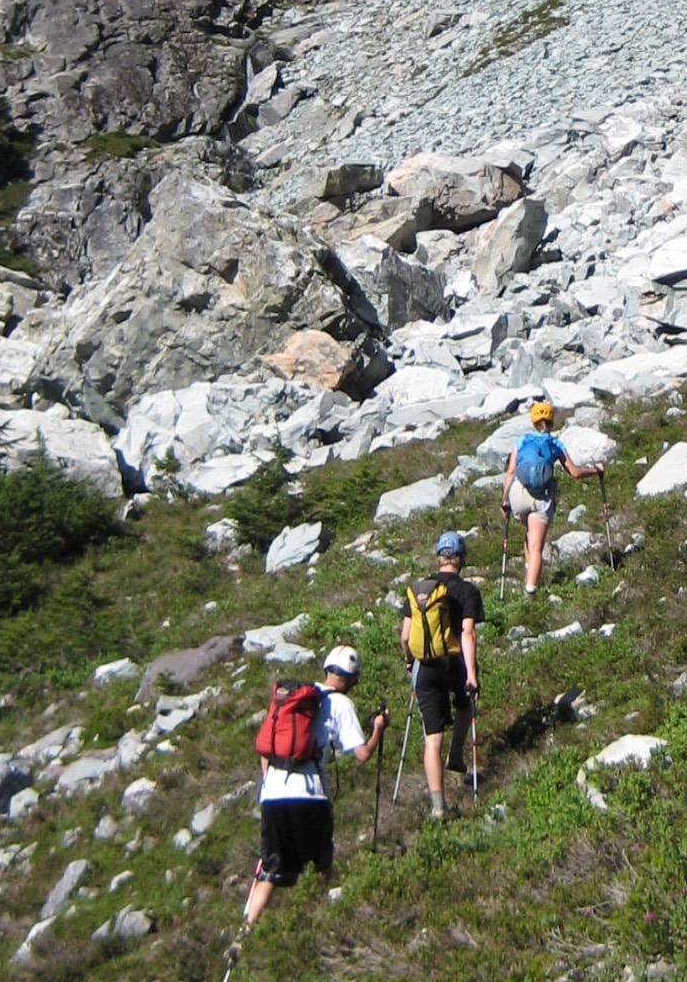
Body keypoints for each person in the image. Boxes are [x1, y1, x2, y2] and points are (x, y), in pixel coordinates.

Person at [243, 645, 387, 930]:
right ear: (352, 679)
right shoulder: (342, 705)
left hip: (273, 793)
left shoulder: (294, 701)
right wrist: (379, 728)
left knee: (271, 869)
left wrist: (270, 783)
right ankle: (320, 925)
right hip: (310, 796)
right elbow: (362, 755)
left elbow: (265, 750)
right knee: (321, 864)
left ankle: (247, 929)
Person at [400, 530, 483, 818]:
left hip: (425, 667)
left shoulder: (420, 590)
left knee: (431, 739)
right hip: (456, 662)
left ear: (438, 558)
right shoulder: (468, 591)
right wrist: (471, 674)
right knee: (464, 703)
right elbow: (468, 632)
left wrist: (410, 662)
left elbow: (405, 636)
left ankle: (438, 807)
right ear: (461, 559)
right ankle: (457, 753)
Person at [502, 398, 606, 593]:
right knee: (536, 548)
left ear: (533, 421)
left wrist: (504, 501)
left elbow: (510, 472)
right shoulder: (555, 444)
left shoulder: (522, 441)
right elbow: (574, 472)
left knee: (529, 533)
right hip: (542, 498)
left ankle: (528, 571)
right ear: (551, 421)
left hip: (519, 495)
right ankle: (530, 593)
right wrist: (595, 470)